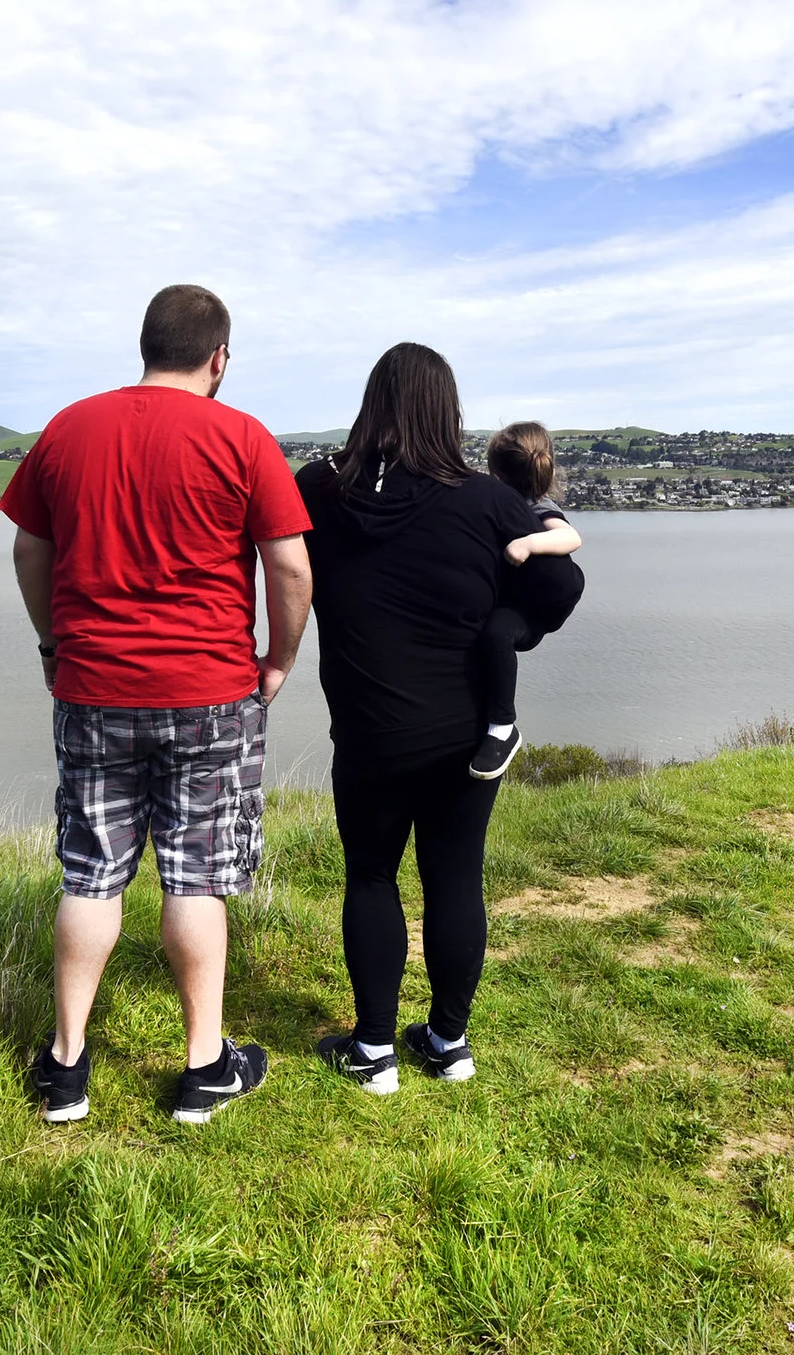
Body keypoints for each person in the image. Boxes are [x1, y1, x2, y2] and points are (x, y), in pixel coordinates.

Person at [2, 284, 312, 1126]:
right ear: (220, 358)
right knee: (197, 871)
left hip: (94, 687)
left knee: (93, 868)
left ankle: (65, 1068)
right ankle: (204, 1066)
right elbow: (289, 568)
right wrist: (279, 659)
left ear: (144, 344)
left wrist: (53, 644)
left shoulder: (70, 427)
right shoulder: (242, 435)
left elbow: (31, 548)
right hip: (212, 689)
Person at [296, 343, 545, 1095]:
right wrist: (506, 624)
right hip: (466, 736)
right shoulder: (486, 501)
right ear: (450, 412)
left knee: (371, 876)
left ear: (370, 405)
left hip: (369, 732)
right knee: (455, 877)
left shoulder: (318, 490)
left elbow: (271, 555)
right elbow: (561, 582)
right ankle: (448, 1042)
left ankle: (374, 1052)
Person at [466, 421, 585, 780]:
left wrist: (528, 543)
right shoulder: (499, 503)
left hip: (534, 609)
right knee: (490, 637)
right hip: (523, 599)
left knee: (496, 635)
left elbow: (571, 537)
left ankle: (503, 726)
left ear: (497, 472)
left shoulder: (538, 505)